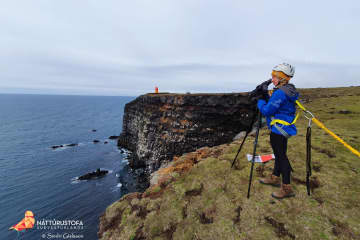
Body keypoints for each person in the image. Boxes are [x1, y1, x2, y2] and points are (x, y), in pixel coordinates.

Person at [257, 63, 299, 199]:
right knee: (279, 153)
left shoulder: (280, 92)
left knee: (281, 157)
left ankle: (287, 188)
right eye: (272, 76)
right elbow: (277, 105)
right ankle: (275, 177)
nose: (272, 79)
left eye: (275, 76)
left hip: (278, 129)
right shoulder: (288, 90)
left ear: (283, 78)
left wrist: (260, 101)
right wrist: (267, 96)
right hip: (284, 127)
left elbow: (267, 110)